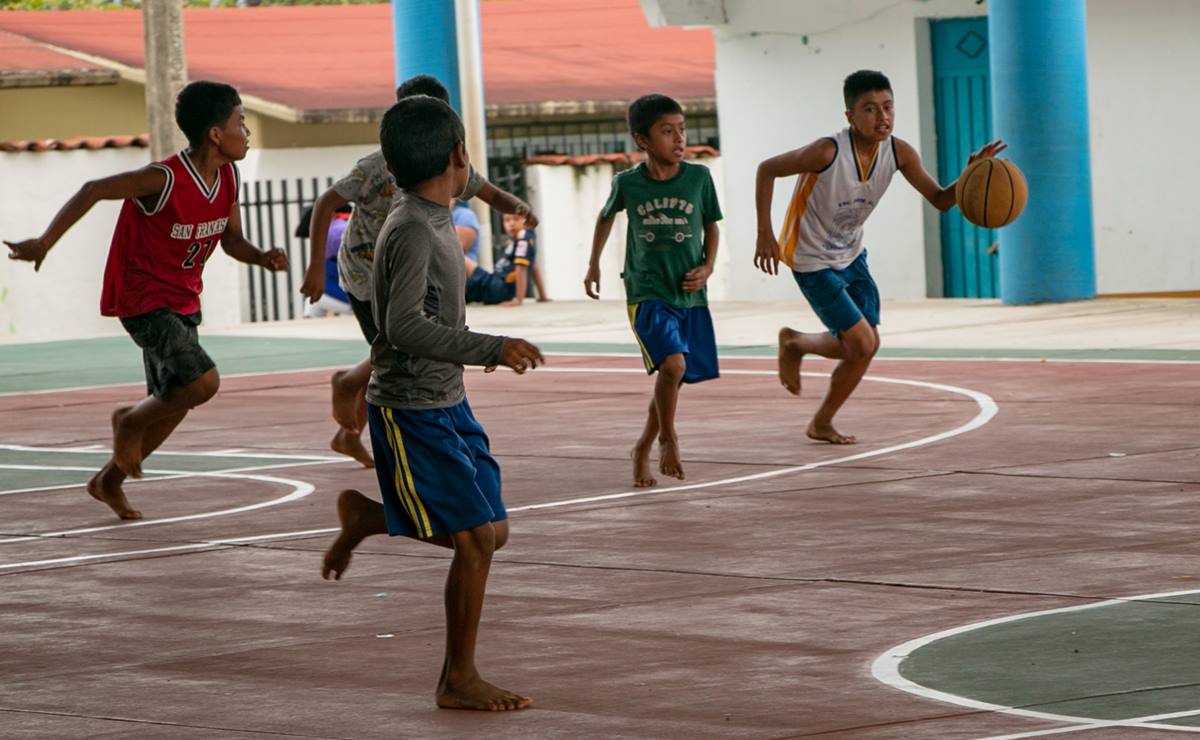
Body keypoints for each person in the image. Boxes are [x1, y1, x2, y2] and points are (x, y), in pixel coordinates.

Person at [321, 95, 543, 712]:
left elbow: (482, 185)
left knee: (493, 533)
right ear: (456, 156)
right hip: (411, 408)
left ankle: (369, 518)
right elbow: (401, 328)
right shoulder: (415, 226)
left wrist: (509, 203)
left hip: (448, 398)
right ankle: (458, 679)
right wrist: (492, 346)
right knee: (474, 541)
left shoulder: (437, 201)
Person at [4, 81, 288, 520]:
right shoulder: (164, 179)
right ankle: (129, 422)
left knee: (175, 403)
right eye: (241, 122)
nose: (246, 131)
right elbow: (93, 189)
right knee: (203, 384)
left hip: (182, 299)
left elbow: (232, 242)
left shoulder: (229, 177)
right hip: (141, 298)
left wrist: (262, 258)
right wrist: (44, 242)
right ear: (215, 133)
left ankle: (107, 481)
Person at [298, 75, 538, 469]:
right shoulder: (376, 168)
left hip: (413, 267)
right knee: (395, 351)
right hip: (366, 272)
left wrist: (517, 208)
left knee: (406, 348)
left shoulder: (449, 163)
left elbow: (487, 190)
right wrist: (314, 269)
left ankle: (348, 433)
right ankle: (350, 387)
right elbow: (326, 203)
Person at [754, 70, 1005, 444]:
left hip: (851, 255)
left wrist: (970, 176)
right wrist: (765, 233)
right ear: (850, 117)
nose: (882, 116)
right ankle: (795, 344)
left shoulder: (899, 152)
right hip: (811, 259)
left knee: (867, 345)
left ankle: (820, 419)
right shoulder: (827, 151)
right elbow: (767, 169)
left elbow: (940, 200)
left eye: (888, 107)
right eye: (869, 109)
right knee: (860, 342)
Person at [584, 94, 722, 488]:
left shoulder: (699, 178)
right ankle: (668, 438)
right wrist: (594, 263)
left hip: (690, 295)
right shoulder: (628, 182)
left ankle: (642, 445)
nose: (679, 139)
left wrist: (708, 267)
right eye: (667, 131)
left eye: (682, 130)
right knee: (673, 365)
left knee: (671, 376)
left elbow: (712, 225)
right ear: (642, 140)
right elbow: (605, 217)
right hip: (646, 293)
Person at [464, 212, 538, 307]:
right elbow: (533, 265)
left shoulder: (523, 239)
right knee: (463, 263)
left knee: (461, 259)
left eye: (516, 219)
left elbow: (521, 268)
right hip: (495, 283)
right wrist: (542, 296)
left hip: (499, 288)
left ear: (528, 221)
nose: (511, 223)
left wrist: (519, 299)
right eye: (507, 220)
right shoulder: (519, 239)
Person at [296, 204, 354, 318]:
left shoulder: (334, 231)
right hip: (351, 293)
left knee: (314, 298)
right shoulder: (345, 224)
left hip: (351, 297)